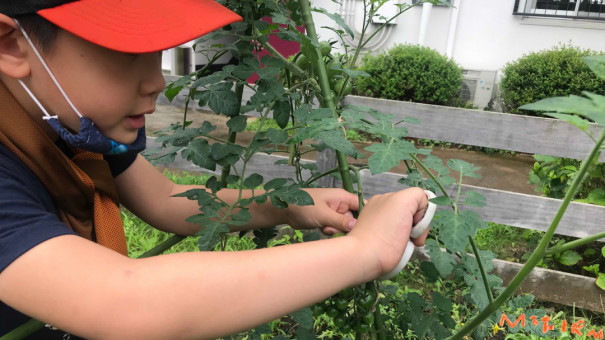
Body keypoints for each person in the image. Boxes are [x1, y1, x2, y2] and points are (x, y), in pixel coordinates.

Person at [0, 0, 430, 339]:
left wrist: (290, 206)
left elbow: (166, 201)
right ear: (12, 46)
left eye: (160, 53)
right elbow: (122, 302)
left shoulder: (68, 124)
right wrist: (367, 250)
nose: (157, 81)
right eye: (128, 53)